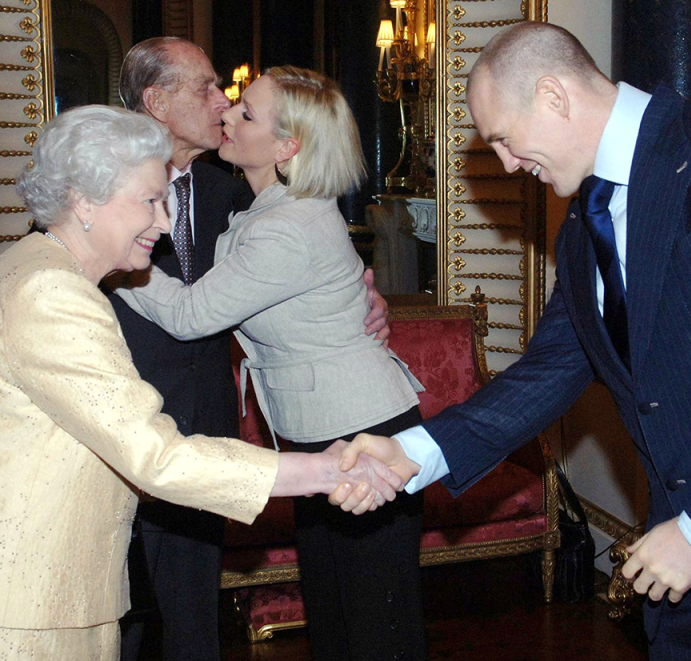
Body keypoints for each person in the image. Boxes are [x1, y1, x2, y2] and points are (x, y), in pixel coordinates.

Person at [340, 21, 691, 661]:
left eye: (504, 139)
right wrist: (415, 452)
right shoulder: (583, 225)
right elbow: (552, 370)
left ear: (554, 96)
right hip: (681, 578)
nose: (506, 164)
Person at [0, 105, 400, 660]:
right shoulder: (51, 293)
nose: (165, 223)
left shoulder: (36, 266)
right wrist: (327, 467)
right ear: (83, 200)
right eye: (149, 201)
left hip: (22, 590)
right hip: (10, 608)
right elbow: (155, 457)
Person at [117, 66, 429, 661]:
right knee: (338, 614)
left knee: (376, 621)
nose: (226, 114)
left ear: (287, 148)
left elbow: (189, 315)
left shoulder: (288, 224)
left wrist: (110, 258)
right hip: (316, 434)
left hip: (358, 430)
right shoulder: (261, 206)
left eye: (246, 113)